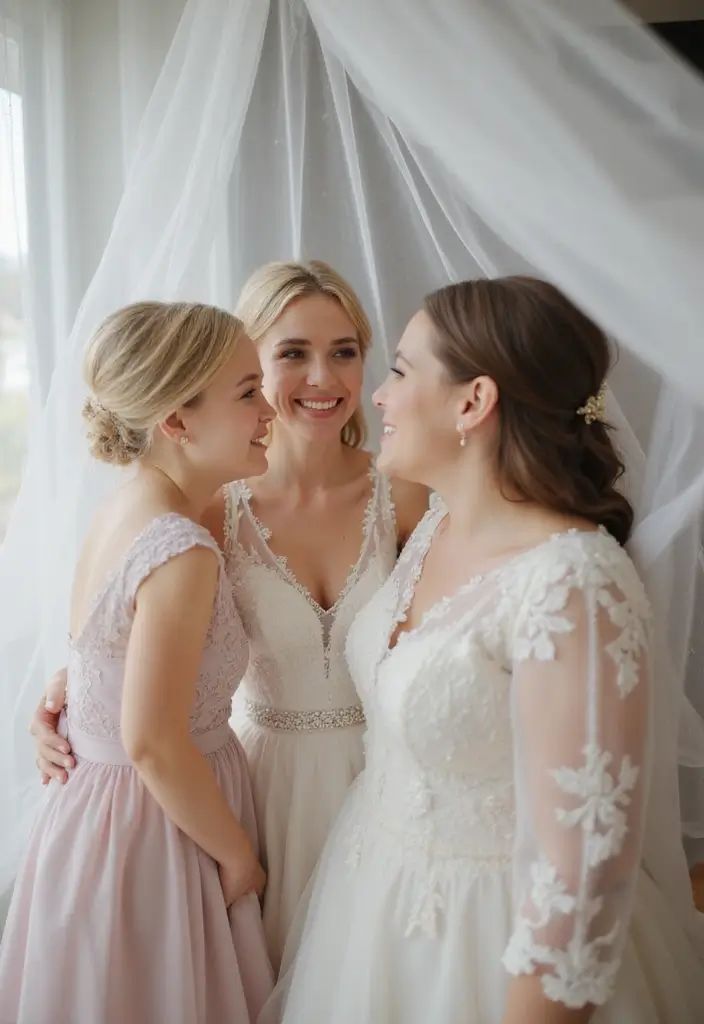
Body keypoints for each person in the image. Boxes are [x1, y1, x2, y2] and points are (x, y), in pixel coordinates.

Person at [261, 277, 704, 1023]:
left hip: (491, 942)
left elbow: (583, 880)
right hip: (375, 906)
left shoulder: (574, 589)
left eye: (399, 371)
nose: (378, 396)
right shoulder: (434, 524)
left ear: (473, 403)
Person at [29, 261, 428, 970]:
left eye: (344, 351)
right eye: (291, 354)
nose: (322, 378)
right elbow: (140, 627)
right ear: (248, 366)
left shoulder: (405, 491)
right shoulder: (212, 506)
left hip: (384, 780)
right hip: (261, 792)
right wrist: (69, 694)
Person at [0, 302, 275, 1024]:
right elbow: (152, 741)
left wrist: (63, 698)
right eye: (248, 392)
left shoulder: (125, 507)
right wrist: (238, 854)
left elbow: (99, 656)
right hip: (158, 826)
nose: (268, 407)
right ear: (177, 422)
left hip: (95, 811)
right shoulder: (179, 548)